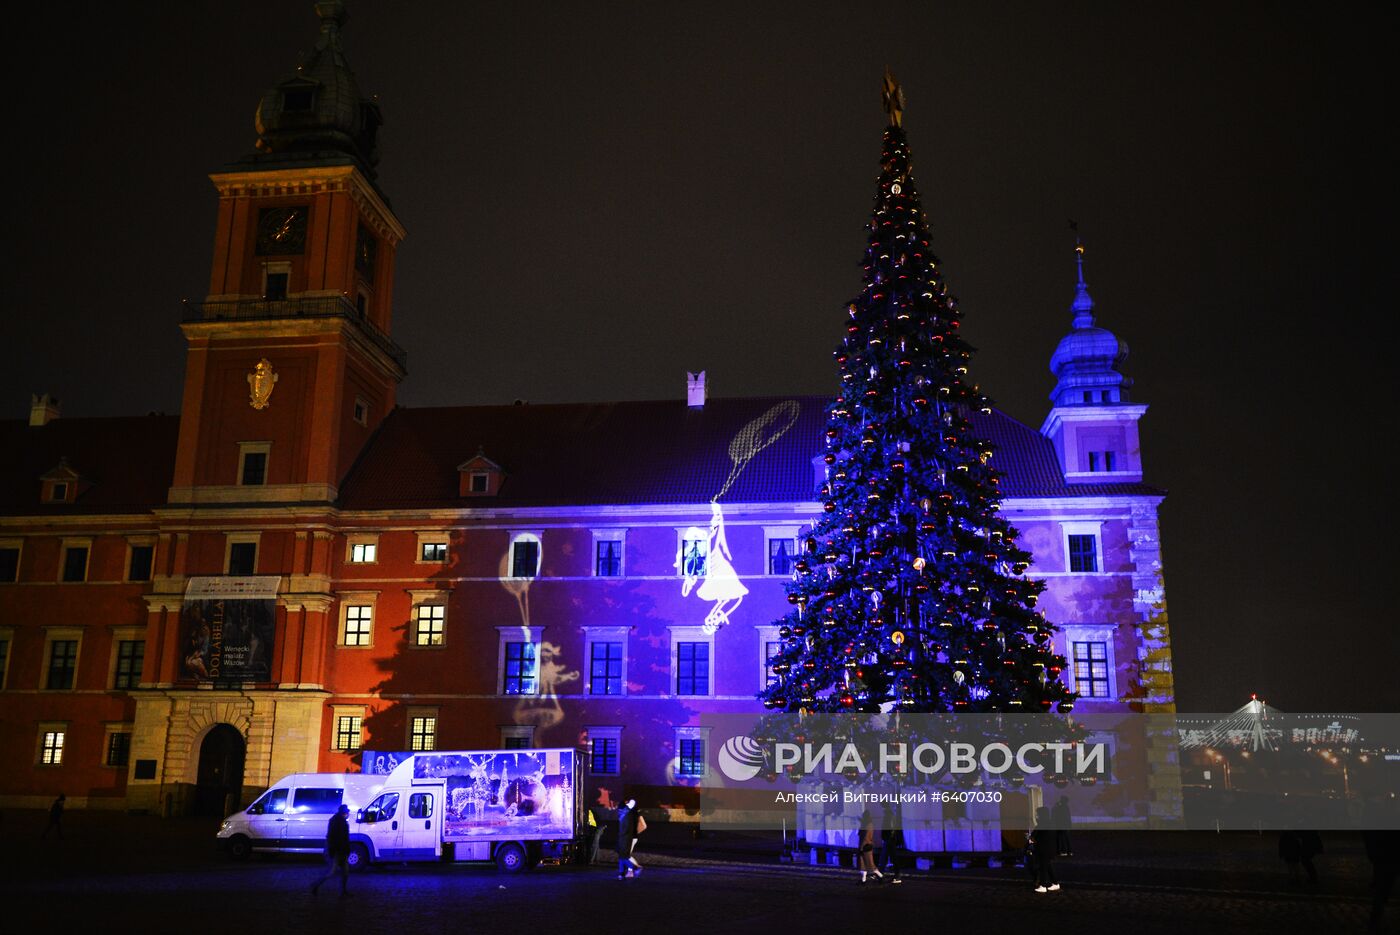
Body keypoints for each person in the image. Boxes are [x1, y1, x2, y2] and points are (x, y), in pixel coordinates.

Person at [1362, 828, 1399, 933]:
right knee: (1382, 889)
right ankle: (1374, 921)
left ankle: (1374, 920)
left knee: (1381, 890)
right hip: (1388, 855)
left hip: (1383, 855)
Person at [310, 804, 352, 896]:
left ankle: (343, 891)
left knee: (343, 872)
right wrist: (334, 850)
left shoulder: (338, 821)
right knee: (332, 872)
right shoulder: (338, 822)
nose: (348, 814)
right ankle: (315, 885)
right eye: (347, 812)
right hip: (338, 851)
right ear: (344, 813)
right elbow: (336, 837)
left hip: (340, 851)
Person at [1029, 806, 1060, 893]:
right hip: (1050, 848)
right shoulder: (1051, 823)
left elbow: (1033, 836)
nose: (1036, 816)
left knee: (1043, 867)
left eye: (1037, 814)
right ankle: (1055, 883)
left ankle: (1043, 885)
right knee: (1048, 866)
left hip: (1043, 849)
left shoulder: (1042, 824)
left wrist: (1030, 839)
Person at [616, 798, 645, 879]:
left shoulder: (628, 813)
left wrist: (634, 833)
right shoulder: (627, 813)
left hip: (627, 837)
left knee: (624, 855)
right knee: (623, 855)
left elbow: (643, 826)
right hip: (626, 836)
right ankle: (622, 873)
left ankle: (632, 869)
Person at [878, 802, 904, 884]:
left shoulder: (888, 814)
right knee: (886, 857)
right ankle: (880, 874)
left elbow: (890, 827)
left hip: (889, 840)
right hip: (890, 839)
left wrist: (887, 838)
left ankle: (896, 876)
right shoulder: (889, 814)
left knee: (889, 858)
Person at [857, 808, 884, 885]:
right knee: (864, 865)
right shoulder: (869, 824)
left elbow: (865, 838)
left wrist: (861, 848)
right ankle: (864, 880)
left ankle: (881, 877)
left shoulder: (867, 825)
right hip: (866, 846)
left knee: (870, 865)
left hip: (865, 847)